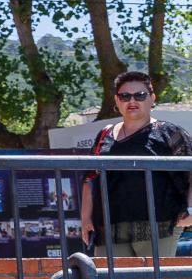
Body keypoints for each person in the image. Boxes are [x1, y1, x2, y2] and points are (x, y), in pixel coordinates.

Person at [80, 71, 192, 258]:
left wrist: (190, 209)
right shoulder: (104, 135)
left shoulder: (169, 132)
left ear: (152, 98)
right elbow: (90, 178)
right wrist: (85, 218)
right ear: (116, 100)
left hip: (160, 226)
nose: (132, 101)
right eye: (125, 96)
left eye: (140, 95)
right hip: (110, 228)